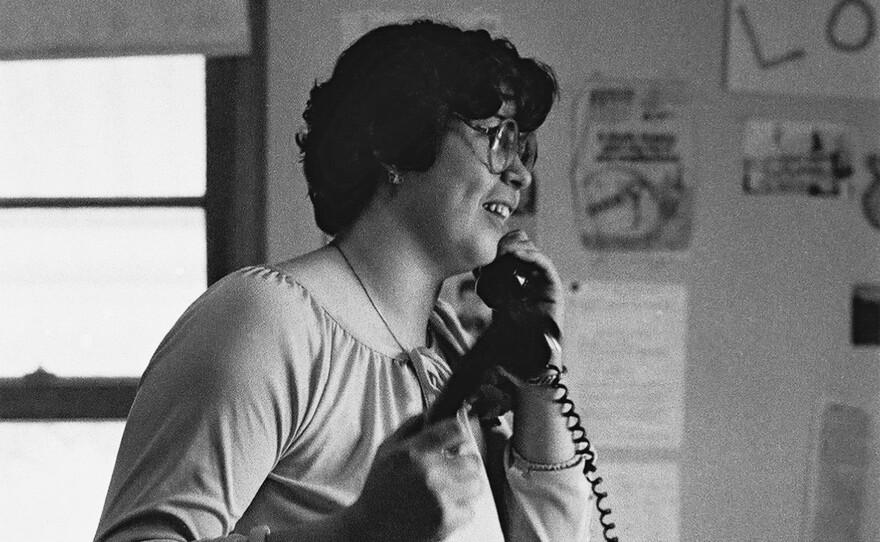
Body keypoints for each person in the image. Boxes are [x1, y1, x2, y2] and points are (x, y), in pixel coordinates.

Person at [94, 19, 592, 542]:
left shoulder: (451, 354)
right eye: (498, 139)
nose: (520, 174)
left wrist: (541, 375)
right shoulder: (267, 321)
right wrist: (360, 529)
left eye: (524, 150)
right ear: (395, 144)